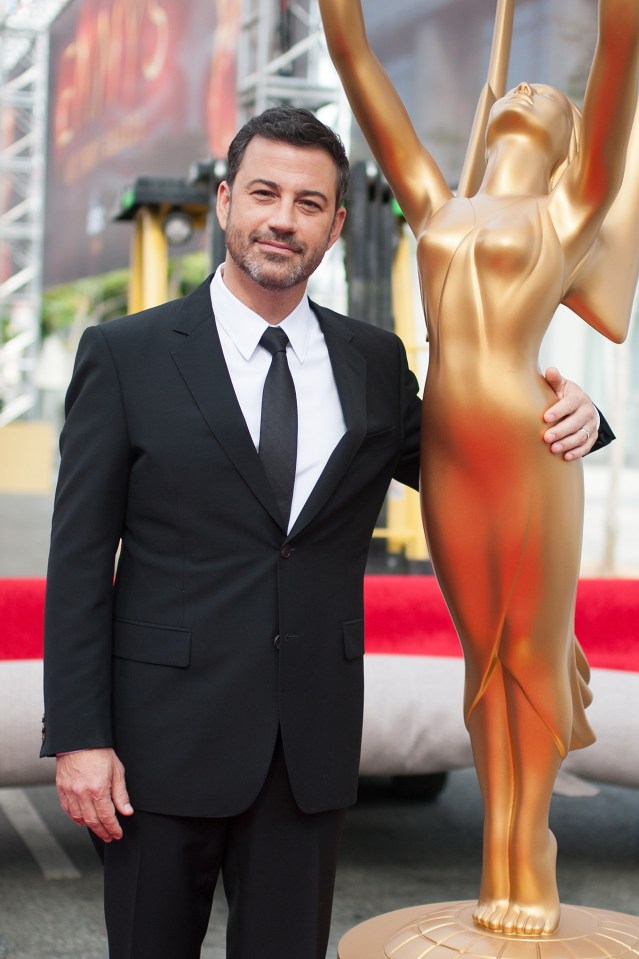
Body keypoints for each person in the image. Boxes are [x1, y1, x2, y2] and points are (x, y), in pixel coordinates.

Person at [40, 105, 611, 959]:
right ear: (227, 202)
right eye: (264, 193)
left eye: (309, 203)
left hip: (305, 759)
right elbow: (79, 560)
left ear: (336, 226)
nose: (283, 218)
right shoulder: (127, 354)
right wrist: (80, 738)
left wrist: (581, 415)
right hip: (159, 754)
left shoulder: (373, 364)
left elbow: (464, 455)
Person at [319, 0, 639, 938]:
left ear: (566, 140)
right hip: (450, 463)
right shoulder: (434, 201)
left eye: (554, 96)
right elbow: (356, 60)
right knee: (483, 662)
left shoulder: (570, 207)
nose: (535, 85)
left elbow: (617, 46)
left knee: (531, 655)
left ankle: (525, 846)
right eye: (523, 85)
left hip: (535, 457)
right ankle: (496, 846)